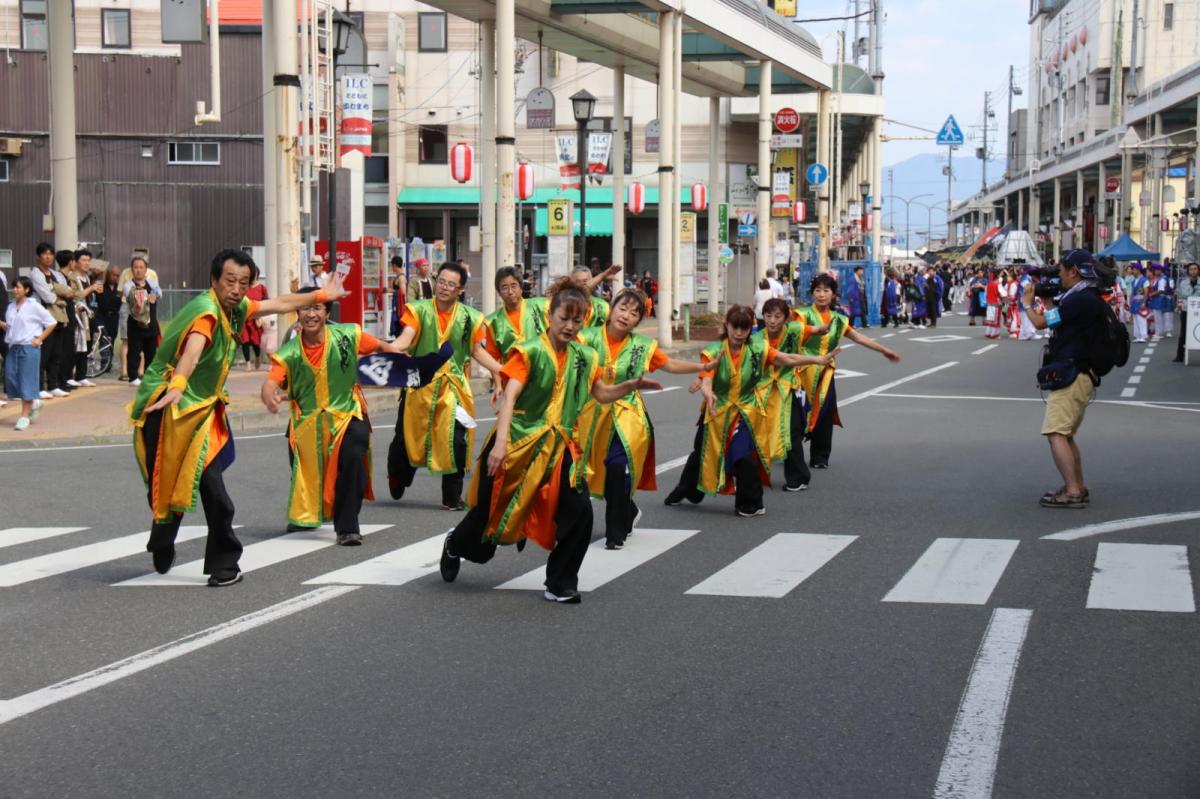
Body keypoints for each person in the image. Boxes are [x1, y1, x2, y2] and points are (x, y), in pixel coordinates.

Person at [130, 249, 347, 586]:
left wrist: (320, 295)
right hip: (169, 405)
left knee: (213, 488)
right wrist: (178, 384)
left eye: (243, 283)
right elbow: (193, 349)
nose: (236, 288)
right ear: (214, 281)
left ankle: (223, 564)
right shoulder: (207, 313)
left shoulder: (236, 309)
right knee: (167, 485)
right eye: (229, 281)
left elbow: (277, 304)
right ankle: (162, 537)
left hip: (202, 411)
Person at [439, 278, 663, 604]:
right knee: (486, 525)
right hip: (515, 446)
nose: (570, 326)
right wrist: (500, 444)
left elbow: (601, 393)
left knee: (580, 512)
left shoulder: (585, 356)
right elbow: (510, 397)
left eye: (577, 320)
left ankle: (560, 583)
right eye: (564, 319)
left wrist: (630, 385)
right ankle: (454, 544)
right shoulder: (528, 352)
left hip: (560, 449)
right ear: (550, 316)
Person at [260, 288, 411, 545]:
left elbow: (380, 346)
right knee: (304, 470)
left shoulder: (346, 335)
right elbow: (271, 382)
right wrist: (268, 395)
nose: (311, 314)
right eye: (305, 308)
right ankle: (306, 514)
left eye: (316, 308)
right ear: (297, 314)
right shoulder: (288, 352)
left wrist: (403, 360)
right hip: (307, 422)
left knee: (353, 457)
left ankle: (347, 526)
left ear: (327, 313)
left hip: (347, 414)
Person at [665, 305, 836, 517]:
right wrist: (707, 392)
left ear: (750, 329)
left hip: (746, 410)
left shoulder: (758, 349)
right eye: (734, 327)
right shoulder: (714, 351)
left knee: (744, 456)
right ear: (726, 326)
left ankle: (751, 502)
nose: (738, 333)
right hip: (717, 409)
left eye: (743, 328)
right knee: (701, 452)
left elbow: (787, 358)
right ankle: (688, 489)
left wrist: (817, 360)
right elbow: (707, 377)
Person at [576, 287, 713, 549]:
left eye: (634, 313)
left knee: (618, 466)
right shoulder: (585, 338)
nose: (626, 316)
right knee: (594, 475)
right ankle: (627, 510)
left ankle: (615, 533)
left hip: (627, 414)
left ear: (639, 321)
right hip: (590, 415)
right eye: (622, 308)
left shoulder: (642, 346)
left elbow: (669, 364)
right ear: (611, 309)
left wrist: (703, 367)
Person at [387, 262, 493, 510]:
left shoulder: (470, 318)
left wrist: (500, 371)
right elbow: (406, 338)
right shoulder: (419, 310)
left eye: (451, 284)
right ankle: (398, 474)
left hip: (453, 388)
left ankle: (452, 495)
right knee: (405, 441)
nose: (444, 287)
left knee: (457, 439)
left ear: (461, 289)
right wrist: (387, 350)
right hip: (418, 386)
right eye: (441, 281)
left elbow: (478, 351)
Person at [1020, 249, 1107, 509]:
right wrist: (1047, 302)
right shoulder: (1085, 296)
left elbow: (1039, 323)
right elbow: (1058, 320)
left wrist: (1027, 302)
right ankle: (1077, 486)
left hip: (1073, 372)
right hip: (1081, 371)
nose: (1059, 275)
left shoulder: (1079, 299)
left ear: (1073, 271)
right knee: (1066, 434)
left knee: (1056, 432)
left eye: (1061, 270)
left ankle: (1072, 491)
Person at [794, 273, 901, 470]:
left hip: (825, 374)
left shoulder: (839, 320)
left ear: (834, 294)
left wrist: (884, 350)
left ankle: (820, 456)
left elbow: (859, 338)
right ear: (812, 294)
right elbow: (791, 335)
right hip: (801, 370)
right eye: (817, 290)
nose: (821, 295)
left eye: (826, 290)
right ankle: (790, 453)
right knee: (797, 414)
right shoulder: (801, 315)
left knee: (825, 414)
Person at [753, 298, 826, 492]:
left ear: (786, 318)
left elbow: (815, 329)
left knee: (792, 432)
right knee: (758, 434)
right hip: (763, 392)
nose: (772, 321)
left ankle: (798, 477)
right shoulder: (756, 339)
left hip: (788, 388)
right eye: (768, 316)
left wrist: (825, 327)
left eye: (778, 316)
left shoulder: (794, 330)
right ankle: (756, 475)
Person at [0, 277, 56, 430]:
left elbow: (51, 322)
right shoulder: (11, 306)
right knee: (10, 378)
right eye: (14, 287)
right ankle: (34, 400)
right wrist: (5, 326)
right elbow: (13, 325)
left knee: (27, 381)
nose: (15, 290)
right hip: (13, 346)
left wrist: (39, 339)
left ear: (26, 290)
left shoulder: (34, 306)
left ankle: (24, 415)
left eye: (18, 287)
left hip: (29, 347)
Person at [476, 266, 547, 365]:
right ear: (499, 292)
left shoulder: (541, 306)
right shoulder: (493, 322)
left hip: (543, 373)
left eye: (514, 286)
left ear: (521, 288)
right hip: (511, 377)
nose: (510, 291)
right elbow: (493, 359)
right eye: (505, 287)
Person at [28, 243, 70, 398]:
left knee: (56, 353)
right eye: (45, 254)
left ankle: (53, 385)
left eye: (51, 254)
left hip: (58, 317)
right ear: (38, 256)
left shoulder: (56, 274)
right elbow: (46, 295)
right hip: (43, 319)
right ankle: (39, 387)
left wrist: (58, 294)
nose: (48, 257)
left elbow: (67, 291)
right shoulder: (35, 273)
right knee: (44, 354)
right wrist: (57, 295)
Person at [116, 255, 161, 382]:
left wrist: (155, 295)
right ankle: (133, 376)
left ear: (146, 269)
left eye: (141, 267)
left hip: (150, 323)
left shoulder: (152, 282)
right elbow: (130, 296)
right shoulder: (128, 285)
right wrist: (147, 297)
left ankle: (148, 376)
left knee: (151, 352)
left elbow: (159, 293)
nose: (138, 270)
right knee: (134, 351)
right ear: (132, 269)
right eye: (136, 267)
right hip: (135, 323)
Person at [239, 273, 270, 370]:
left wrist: (262, 315)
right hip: (244, 318)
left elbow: (266, 301)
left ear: (257, 275)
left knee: (256, 342)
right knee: (245, 340)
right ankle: (247, 363)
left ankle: (257, 357)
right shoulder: (244, 287)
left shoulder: (261, 288)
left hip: (256, 319)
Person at [1175, 262, 1199, 362]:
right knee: (1183, 332)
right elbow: (1180, 295)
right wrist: (1178, 305)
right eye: (1191, 269)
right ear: (1188, 271)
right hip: (1186, 309)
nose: (1193, 271)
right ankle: (1180, 356)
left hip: (1198, 309)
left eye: (1195, 269)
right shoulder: (1183, 283)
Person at [1147, 263, 1173, 342]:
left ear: (1159, 270)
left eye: (1155, 270)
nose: (1154, 272)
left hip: (1159, 299)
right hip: (1157, 299)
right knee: (1157, 316)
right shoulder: (1158, 278)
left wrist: (1151, 294)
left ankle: (1159, 333)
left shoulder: (1162, 278)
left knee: (1158, 316)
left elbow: (1161, 290)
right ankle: (1159, 332)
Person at [1127, 263, 1149, 342]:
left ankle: (1143, 336)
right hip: (1135, 301)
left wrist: (1144, 302)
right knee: (1135, 319)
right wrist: (1130, 302)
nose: (1132, 270)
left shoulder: (1144, 280)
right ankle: (1138, 335)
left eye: (1134, 269)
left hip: (1141, 300)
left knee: (1141, 318)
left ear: (1138, 270)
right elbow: (1133, 293)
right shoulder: (1134, 281)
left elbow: (1146, 292)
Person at [389, 255, 406, 337]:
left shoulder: (401, 278)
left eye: (392, 265)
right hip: (396, 306)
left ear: (395, 265)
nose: (391, 268)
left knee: (399, 327)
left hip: (400, 307)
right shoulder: (399, 276)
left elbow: (403, 292)